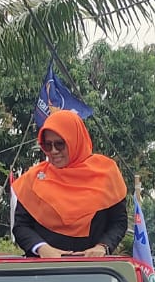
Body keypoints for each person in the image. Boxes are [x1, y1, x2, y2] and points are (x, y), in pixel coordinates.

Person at [11, 109, 129, 258]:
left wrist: (102, 247)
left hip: (94, 271)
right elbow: (21, 226)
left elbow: (118, 222)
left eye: (60, 144)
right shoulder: (33, 179)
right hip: (42, 272)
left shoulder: (106, 173)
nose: (53, 151)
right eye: (47, 145)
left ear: (75, 141)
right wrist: (42, 248)